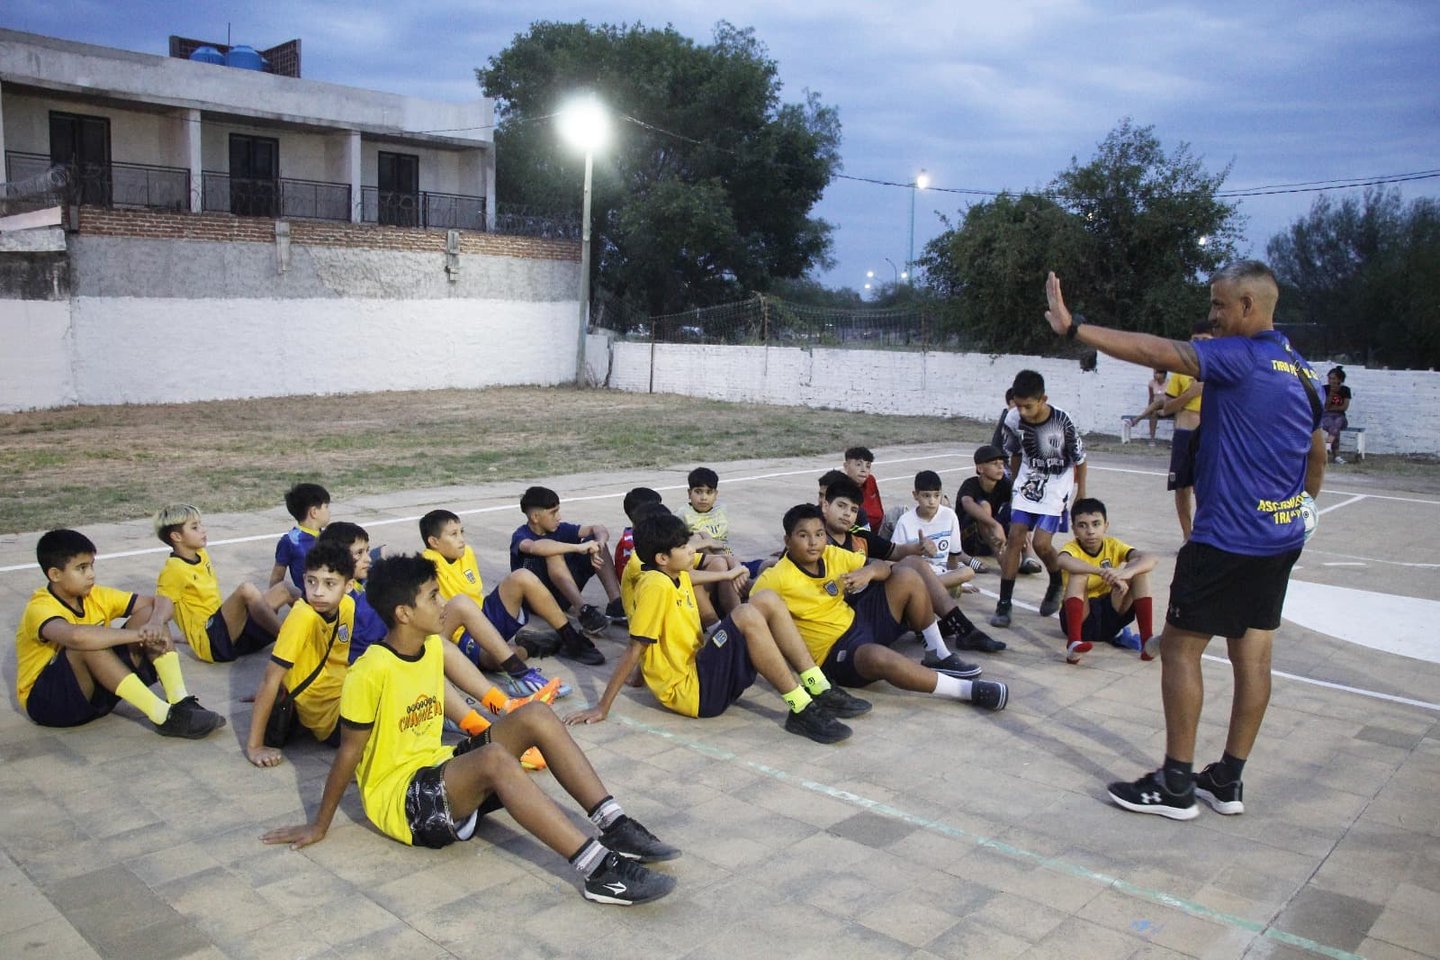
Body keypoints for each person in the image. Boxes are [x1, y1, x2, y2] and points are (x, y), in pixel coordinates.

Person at [1045, 260, 1325, 820]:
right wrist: (1301, 506)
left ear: (1248, 306)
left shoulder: (1240, 355)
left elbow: (1157, 351)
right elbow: (1316, 453)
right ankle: (1227, 779)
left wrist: (1075, 328)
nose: (1212, 315)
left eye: (1219, 304)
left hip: (1225, 540)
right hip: (1279, 538)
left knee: (1178, 649)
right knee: (1253, 655)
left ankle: (1175, 783)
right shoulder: (1302, 369)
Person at [261, 554, 679, 906]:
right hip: (404, 802)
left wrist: (497, 717)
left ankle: (616, 825)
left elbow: (464, 700)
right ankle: (598, 871)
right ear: (404, 614)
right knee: (494, 759)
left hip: (440, 770)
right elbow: (349, 753)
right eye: (432, 596)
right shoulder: (369, 671)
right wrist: (319, 824)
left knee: (535, 715)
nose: (443, 603)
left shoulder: (430, 647)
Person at [565, 513, 869, 743]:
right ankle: (801, 707)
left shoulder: (671, 574)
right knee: (746, 615)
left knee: (766, 599)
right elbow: (636, 646)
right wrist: (602, 706)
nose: (691, 551)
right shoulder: (655, 586)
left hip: (702, 672)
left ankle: (818, 686)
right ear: (662, 558)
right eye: (684, 547)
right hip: (694, 692)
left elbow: (691, 578)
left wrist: (728, 574)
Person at [754, 504, 1009, 711]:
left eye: (819, 534)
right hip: (834, 653)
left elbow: (884, 567)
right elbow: (754, 616)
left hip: (858, 622)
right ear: (787, 540)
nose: (813, 542)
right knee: (877, 657)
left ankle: (937, 653)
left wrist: (868, 572)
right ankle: (968, 691)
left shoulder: (832, 554)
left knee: (907, 575)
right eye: (803, 535)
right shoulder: (775, 578)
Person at [17, 528, 226, 737]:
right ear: (55, 574)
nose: (91, 574)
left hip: (94, 696)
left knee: (149, 614)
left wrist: (155, 623)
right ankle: (164, 717)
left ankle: (180, 701)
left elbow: (161, 601)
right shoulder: (40, 607)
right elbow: (76, 637)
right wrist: (140, 635)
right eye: (81, 568)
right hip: (49, 704)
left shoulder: (95, 595)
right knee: (88, 644)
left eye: (91, 565)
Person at [820, 477, 1004, 656]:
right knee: (911, 575)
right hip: (846, 620)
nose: (847, 514)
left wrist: (918, 548)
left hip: (869, 609)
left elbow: (896, 551)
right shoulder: (816, 541)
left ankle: (963, 629)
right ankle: (937, 638)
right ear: (825, 506)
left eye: (853, 510)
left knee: (914, 562)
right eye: (841, 506)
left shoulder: (859, 536)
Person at [420, 508, 600, 684]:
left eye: (462, 532)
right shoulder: (427, 562)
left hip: (482, 617)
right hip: (460, 634)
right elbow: (439, 610)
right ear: (434, 542)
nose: (461, 539)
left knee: (522, 576)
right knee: (500, 659)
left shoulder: (466, 552)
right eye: (453, 535)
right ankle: (531, 647)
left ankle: (570, 638)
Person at [989, 370, 1087, 628]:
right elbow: (1015, 453)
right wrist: (1014, 486)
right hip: (1028, 480)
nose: (1022, 412)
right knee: (1015, 537)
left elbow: (1080, 460)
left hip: (1056, 483)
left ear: (1043, 399)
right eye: (1018, 405)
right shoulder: (1013, 419)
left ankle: (1056, 581)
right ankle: (1004, 603)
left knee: (1042, 544)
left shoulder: (1062, 421)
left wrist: (1081, 493)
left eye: (1028, 406)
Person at [154, 503, 290, 663]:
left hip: (228, 633)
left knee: (285, 589)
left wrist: (187, 634)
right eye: (195, 527)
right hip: (212, 645)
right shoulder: (173, 569)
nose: (203, 530)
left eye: (200, 525)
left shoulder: (201, 554)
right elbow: (162, 605)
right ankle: (289, 642)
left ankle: (316, 629)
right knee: (246, 590)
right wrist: (157, 627)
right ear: (177, 537)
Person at [1053, 498, 1158, 665]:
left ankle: (1147, 643)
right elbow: (1062, 560)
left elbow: (1151, 558)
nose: (1090, 531)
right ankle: (1074, 644)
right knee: (1078, 575)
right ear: (1074, 529)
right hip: (1082, 619)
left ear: (1106, 526)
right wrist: (1101, 571)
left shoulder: (1112, 545)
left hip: (1110, 615)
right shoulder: (1072, 548)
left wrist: (1126, 573)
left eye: (1096, 524)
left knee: (1139, 571)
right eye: (1082, 525)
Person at [509, 486, 625, 637]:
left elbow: (597, 528)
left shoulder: (560, 529)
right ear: (535, 517)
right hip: (538, 599)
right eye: (553, 513)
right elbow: (534, 547)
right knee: (553, 553)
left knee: (596, 543)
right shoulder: (521, 535)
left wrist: (599, 543)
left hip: (563, 593)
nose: (559, 517)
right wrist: (578, 547)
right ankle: (583, 611)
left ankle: (616, 604)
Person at [1161, 320, 1214, 540]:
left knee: (1205, 487)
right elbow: (1166, 408)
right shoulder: (1181, 372)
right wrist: (1190, 393)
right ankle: (1187, 536)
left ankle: (1203, 534)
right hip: (1184, 434)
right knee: (1182, 487)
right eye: (1195, 340)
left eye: (1205, 340)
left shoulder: (1220, 371)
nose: (1199, 343)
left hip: (1210, 435)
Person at [890, 470, 983, 586]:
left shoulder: (949, 516)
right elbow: (894, 557)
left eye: (936, 495)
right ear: (915, 495)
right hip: (916, 574)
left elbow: (953, 556)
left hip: (941, 573)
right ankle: (935, 587)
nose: (932, 501)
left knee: (968, 572)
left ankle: (931, 587)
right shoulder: (905, 521)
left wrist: (958, 582)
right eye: (926, 496)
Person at [956, 445, 1039, 574]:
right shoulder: (970, 484)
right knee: (984, 507)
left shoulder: (1004, 484)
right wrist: (995, 525)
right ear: (980, 468)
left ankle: (1027, 556)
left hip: (993, 536)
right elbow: (967, 503)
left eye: (1002, 463)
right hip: (970, 539)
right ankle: (1002, 558)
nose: (1001, 467)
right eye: (995, 464)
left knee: (1019, 509)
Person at [270, 482, 330, 596]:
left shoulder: (329, 536)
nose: (329, 512)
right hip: (307, 599)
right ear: (314, 512)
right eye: (326, 507)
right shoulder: (291, 541)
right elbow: (277, 578)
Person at [681, 467, 731, 553]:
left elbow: (723, 542)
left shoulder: (721, 510)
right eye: (698, 492)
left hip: (724, 552)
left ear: (715, 494)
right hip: (697, 556)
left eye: (709, 492)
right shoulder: (682, 514)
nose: (704, 498)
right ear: (689, 493)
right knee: (697, 537)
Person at [842, 446, 886, 530]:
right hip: (859, 532)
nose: (863, 470)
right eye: (858, 464)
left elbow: (879, 507)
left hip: (879, 529)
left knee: (899, 512)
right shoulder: (841, 488)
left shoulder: (870, 480)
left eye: (868, 466)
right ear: (846, 466)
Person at [1128, 368, 1171, 442]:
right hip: (1156, 407)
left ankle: (1137, 419)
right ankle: (1152, 439)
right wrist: (1149, 409)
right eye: (1154, 373)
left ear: (1163, 374)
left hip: (1167, 406)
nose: (1154, 375)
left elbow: (1172, 398)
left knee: (1160, 401)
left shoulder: (1169, 383)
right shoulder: (1152, 383)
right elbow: (1151, 397)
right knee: (1153, 413)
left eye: (1157, 373)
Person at [1322, 366, 1352, 463]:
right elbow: (1325, 406)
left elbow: (1344, 407)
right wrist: (1331, 393)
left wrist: (1331, 408)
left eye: (1334, 378)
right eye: (1329, 378)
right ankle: (1336, 456)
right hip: (1326, 417)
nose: (1331, 381)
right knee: (1333, 426)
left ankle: (1328, 444)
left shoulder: (1345, 390)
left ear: (1340, 379)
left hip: (1340, 417)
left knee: (1337, 422)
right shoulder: (1324, 389)